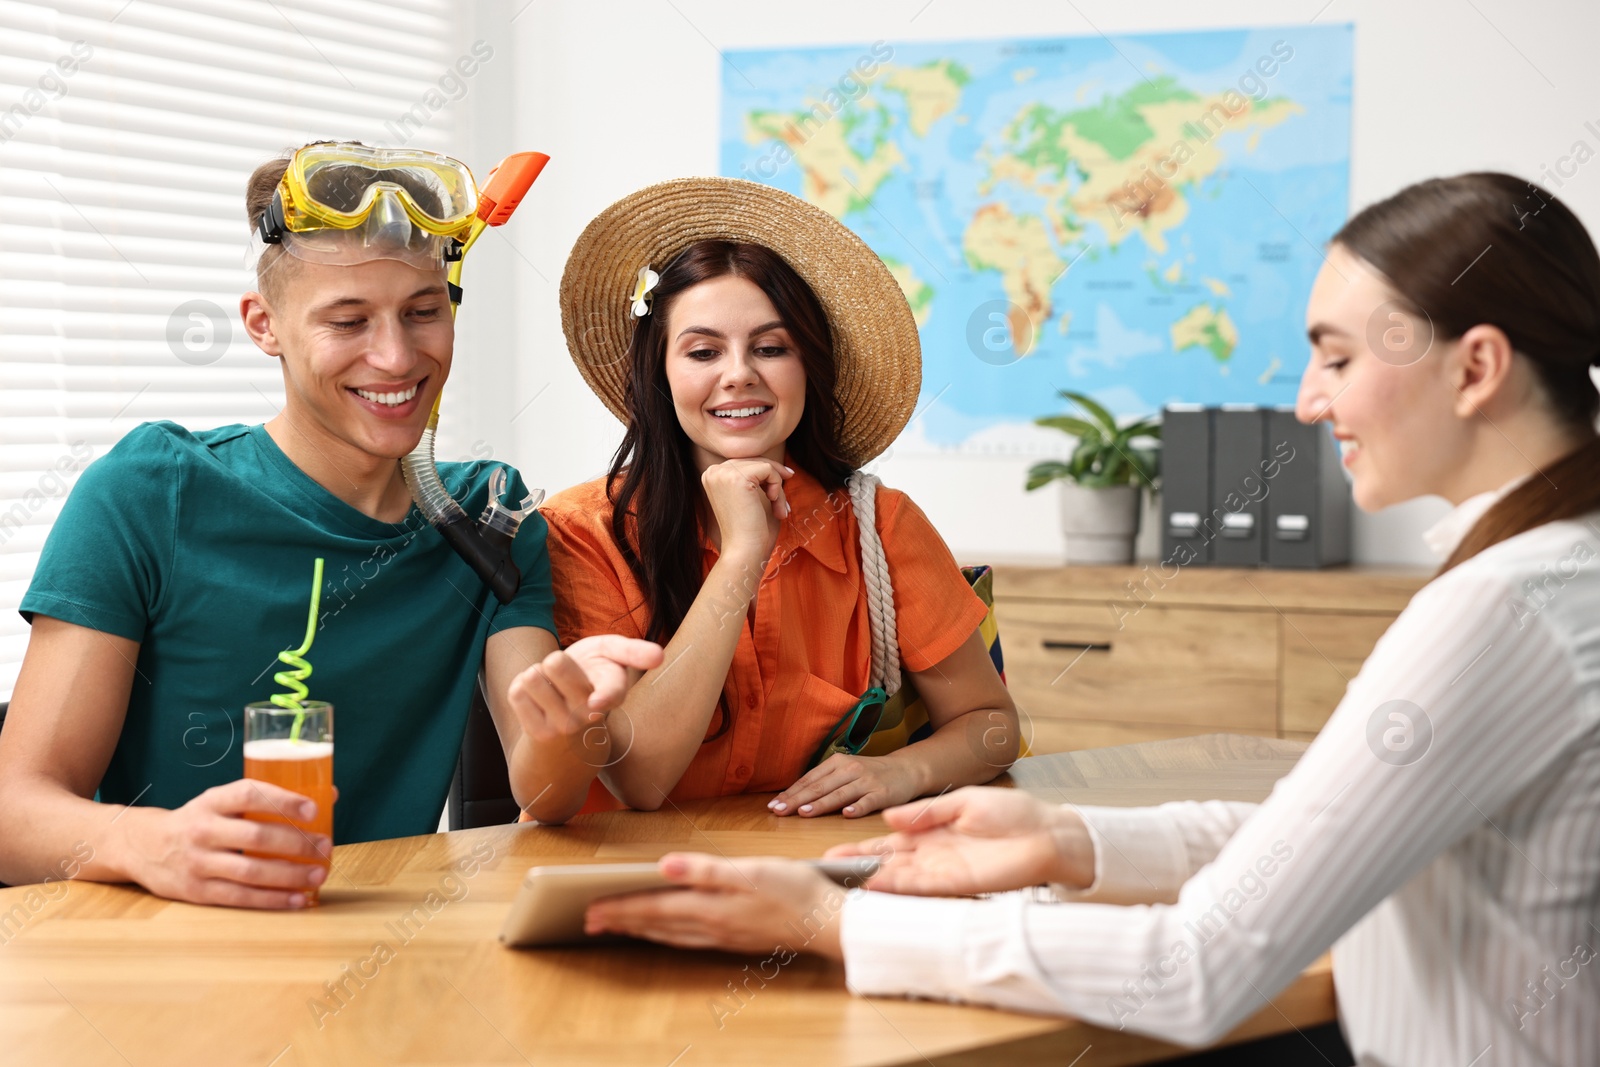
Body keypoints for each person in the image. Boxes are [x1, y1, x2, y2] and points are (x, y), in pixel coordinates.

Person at [582, 172, 1600, 1066]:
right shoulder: (1553, 579)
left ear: (1475, 369)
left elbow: (1195, 965)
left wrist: (826, 919)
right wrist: (1066, 836)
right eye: (702, 349)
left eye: (1336, 357)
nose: (1304, 400)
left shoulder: (1500, 613)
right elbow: (1323, 832)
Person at [0, 142, 660, 908]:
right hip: (164, 962)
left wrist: (562, 727)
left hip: (374, 960)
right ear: (264, 324)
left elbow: (543, 795)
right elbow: (15, 817)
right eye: (348, 321)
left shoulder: (489, 516)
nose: (395, 355)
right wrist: (152, 842)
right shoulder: (151, 492)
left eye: (423, 313)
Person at [518, 178, 1019, 823]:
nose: (739, 374)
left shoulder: (880, 525)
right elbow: (638, 780)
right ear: (659, 372)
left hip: (809, 874)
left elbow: (992, 726)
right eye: (703, 351)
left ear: (807, 366)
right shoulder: (583, 531)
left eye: (771, 348)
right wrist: (742, 556)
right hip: (627, 885)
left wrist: (906, 771)